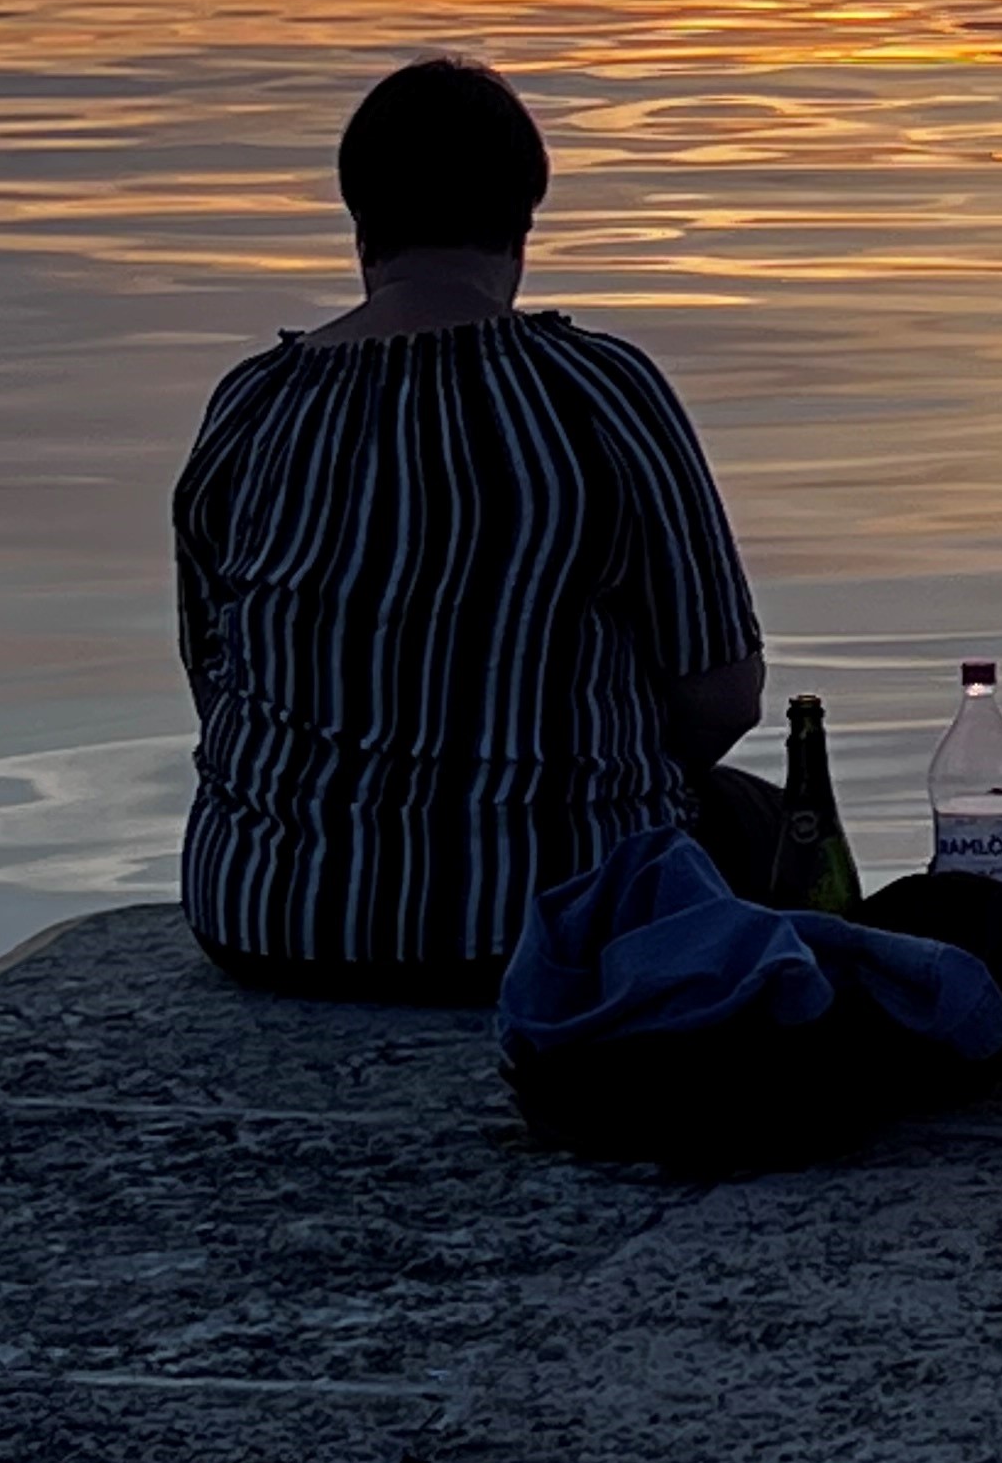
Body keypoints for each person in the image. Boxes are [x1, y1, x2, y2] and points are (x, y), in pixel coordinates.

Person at [175, 55, 767, 1003]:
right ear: (523, 223)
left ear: (360, 223)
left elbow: (216, 676)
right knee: (769, 833)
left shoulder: (251, 408)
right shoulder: (598, 393)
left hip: (265, 920)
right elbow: (723, 695)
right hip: (546, 924)